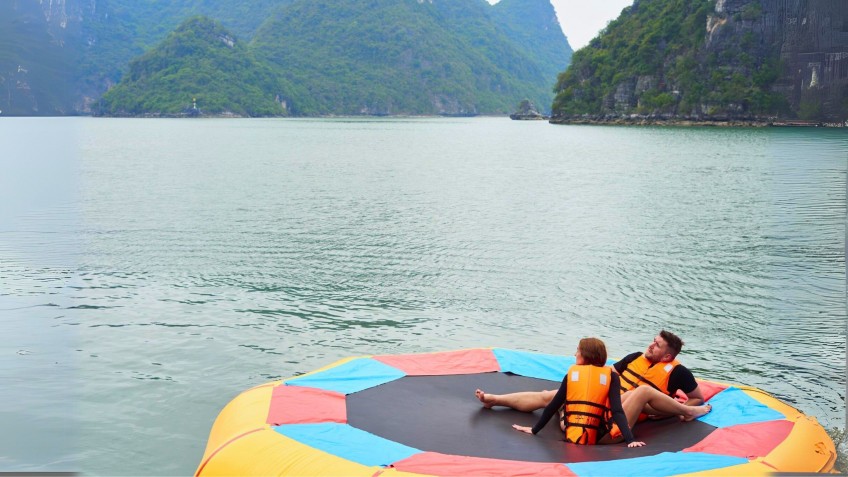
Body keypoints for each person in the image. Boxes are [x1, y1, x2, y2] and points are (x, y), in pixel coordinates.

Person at [476, 331, 711, 443]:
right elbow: (609, 376)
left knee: (641, 392)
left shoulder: (679, 373)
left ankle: (689, 413)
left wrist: (674, 411)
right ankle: (495, 399)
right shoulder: (635, 357)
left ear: (668, 356)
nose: (651, 346)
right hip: (608, 403)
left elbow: (696, 396)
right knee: (550, 396)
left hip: (632, 411)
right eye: (653, 341)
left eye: (657, 345)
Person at [476, 337, 646, 447]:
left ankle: (495, 399)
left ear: (586, 355)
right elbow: (616, 410)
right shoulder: (611, 376)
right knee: (552, 398)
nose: (575, 353)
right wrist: (629, 439)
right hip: (598, 433)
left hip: (571, 429)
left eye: (578, 350)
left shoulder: (572, 375)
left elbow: (553, 405)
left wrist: (534, 430)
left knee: (552, 399)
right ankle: (495, 399)